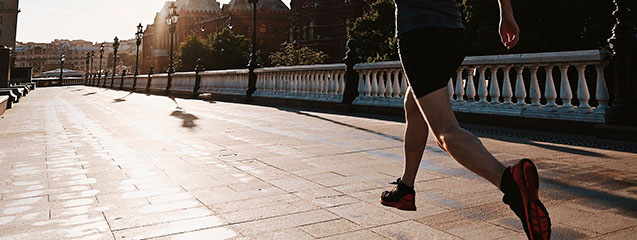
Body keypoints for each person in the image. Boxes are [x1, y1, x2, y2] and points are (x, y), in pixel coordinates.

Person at [379, 0, 551, 239]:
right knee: (415, 103)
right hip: (453, 34)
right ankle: (406, 188)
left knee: (444, 131)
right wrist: (506, 13)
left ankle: (511, 184)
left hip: (418, 34)